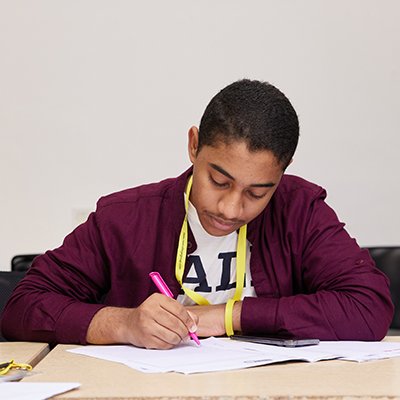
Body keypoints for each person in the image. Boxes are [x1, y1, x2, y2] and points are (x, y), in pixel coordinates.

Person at [1, 79, 393, 349]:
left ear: (283, 171)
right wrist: (124, 323)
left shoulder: (300, 209)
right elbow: (23, 306)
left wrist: (225, 317)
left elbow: (369, 307)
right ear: (194, 146)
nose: (230, 209)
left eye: (257, 192)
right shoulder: (126, 218)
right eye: (219, 181)